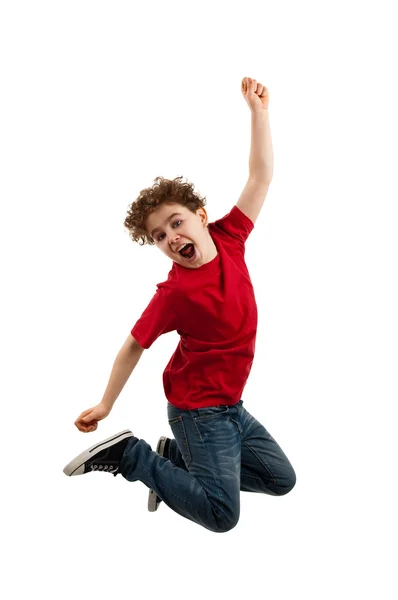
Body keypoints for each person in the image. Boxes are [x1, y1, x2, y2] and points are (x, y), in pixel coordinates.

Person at [63, 78, 296, 533]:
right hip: (198, 413)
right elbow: (134, 345)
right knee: (221, 515)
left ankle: (172, 460)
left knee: (281, 479)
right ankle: (131, 456)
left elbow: (260, 177)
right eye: (160, 236)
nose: (172, 238)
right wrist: (106, 404)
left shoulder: (230, 237)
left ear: (201, 217)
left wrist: (259, 113)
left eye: (176, 222)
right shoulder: (174, 294)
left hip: (232, 408)